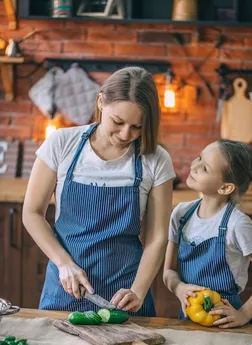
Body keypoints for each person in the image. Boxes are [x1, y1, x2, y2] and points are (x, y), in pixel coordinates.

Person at [22, 66, 175, 316]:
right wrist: (64, 264)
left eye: (137, 126)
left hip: (125, 292)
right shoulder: (62, 143)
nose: (126, 134)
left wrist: (138, 289)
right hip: (66, 287)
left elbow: (157, 238)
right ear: (101, 101)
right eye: (118, 121)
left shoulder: (156, 159)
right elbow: (32, 212)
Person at [163, 139, 252, 327]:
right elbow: (168, 271)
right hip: (188, 319)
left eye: (205, 168)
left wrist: (244, 314)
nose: (194, 166)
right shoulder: (180, 214)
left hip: (227, 323)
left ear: (225, 187)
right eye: (199, 158)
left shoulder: (238, 225)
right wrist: (179, 288)